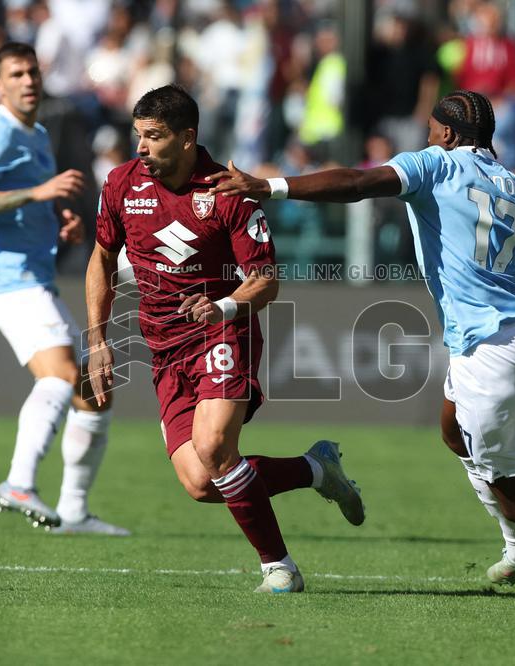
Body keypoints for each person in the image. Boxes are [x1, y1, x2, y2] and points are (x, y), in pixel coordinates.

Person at [209, 89, 515, 610]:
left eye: (430, 129)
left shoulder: (437, 165)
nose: (425, 137)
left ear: (447, 134)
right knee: (454, 430)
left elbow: (359, 183)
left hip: (489, 346)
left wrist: (266, 186)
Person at [85, 85, 365, 593]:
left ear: (188, 137)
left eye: (153, 136)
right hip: (164, 347)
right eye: (138, 135)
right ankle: (314, 470)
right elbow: (103, 258)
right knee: (199, 482)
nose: (141, 147)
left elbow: (266, 280)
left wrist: (223, 305)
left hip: (223, 332)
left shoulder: (227, 194)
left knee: (214, 447)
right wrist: (98, 340)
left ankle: (279, 568)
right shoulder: (122, 185)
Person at [0, 42, 127, 537]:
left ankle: (74, 512)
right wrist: (40, 192)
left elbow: (26, 206)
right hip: (8, 282)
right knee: (62, 375)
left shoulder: (38, 132)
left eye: (32, 71)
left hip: (34, 277)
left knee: (94, 388)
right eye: (16, 73)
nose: (28, 80)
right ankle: (19, 482)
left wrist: (59, 222)